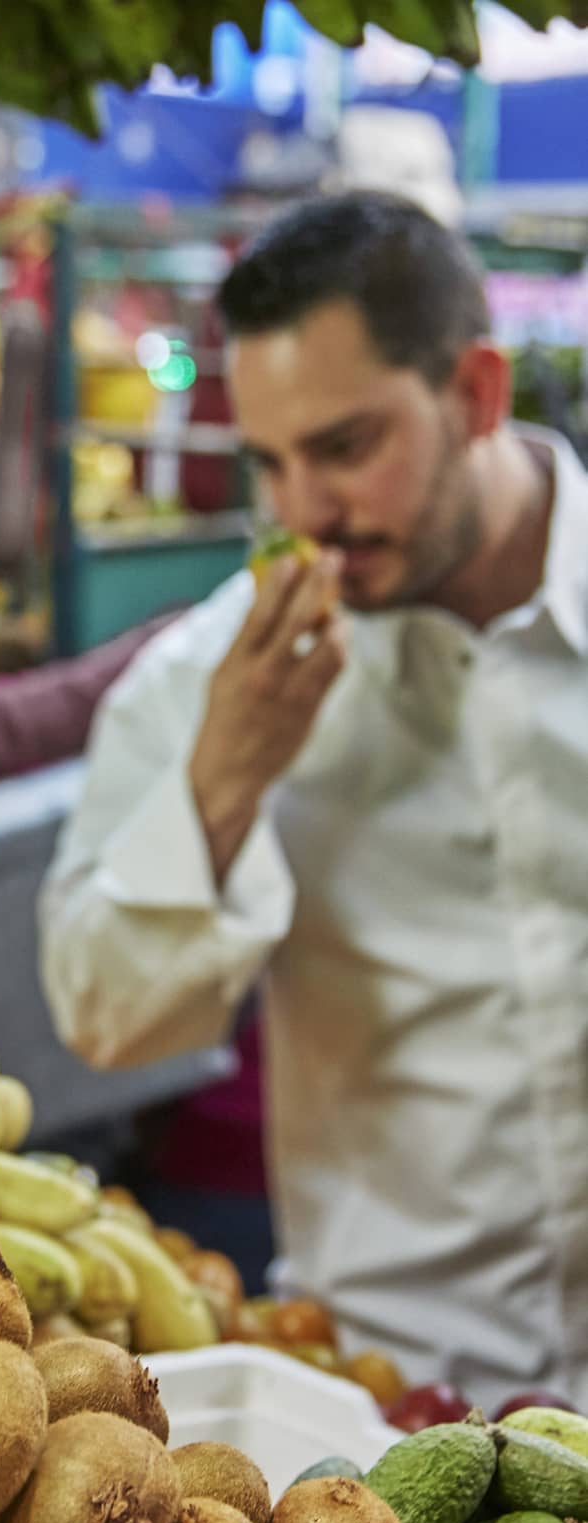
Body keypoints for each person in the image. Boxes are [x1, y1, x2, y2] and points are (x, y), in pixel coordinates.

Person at [38, 190, 588, 1407]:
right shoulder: (217, 677)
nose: (302, 513)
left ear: (477, 396)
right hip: (399, 1395)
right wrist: (226, 776)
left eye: (344, 449)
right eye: (270, 463)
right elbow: (101, 1015)